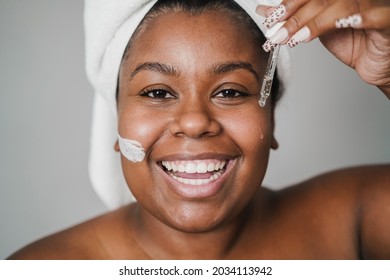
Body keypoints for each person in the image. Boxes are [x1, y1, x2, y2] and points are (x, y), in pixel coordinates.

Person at [8, 0, 390, 260]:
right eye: (157, 92)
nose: (194, 122)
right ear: (117, 118)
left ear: (271, 117)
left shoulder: (353, 219)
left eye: (229, 91)